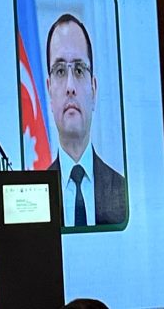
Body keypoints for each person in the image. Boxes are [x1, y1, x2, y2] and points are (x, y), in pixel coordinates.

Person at [45, 14, 126, 227]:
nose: (70, 87)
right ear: (49, 90)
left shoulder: (122, 189)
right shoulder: (37, 194)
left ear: (94, 89)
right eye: (60, 71)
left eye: (79, 70)